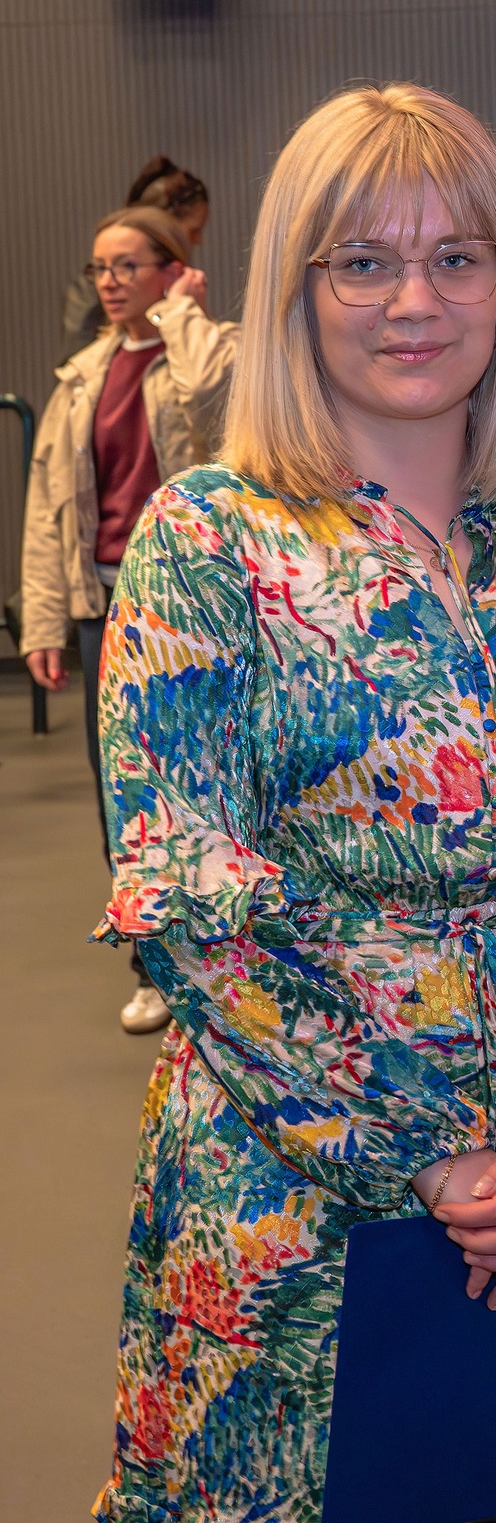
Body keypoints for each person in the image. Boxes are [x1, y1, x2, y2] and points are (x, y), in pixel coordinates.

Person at [90, 83, 496, 1523]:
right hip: (302, 1198)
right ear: (294, 286)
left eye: (457, 257)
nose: (415, 301)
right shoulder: (209, 543)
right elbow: (188, 897)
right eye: (364, 261)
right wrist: (431, 1161)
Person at [23, 201, 236, 1034]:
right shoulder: (81, 376)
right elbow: (48, 506)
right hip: (105, 606)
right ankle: (154, 968)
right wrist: (45, 621)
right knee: (127, 797)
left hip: (193, 604)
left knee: (211, 784)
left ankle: (227, 966)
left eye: (127, 266)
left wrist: (181, 314)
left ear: (173, 270)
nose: (109, 282)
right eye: (99, 268)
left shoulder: (212, 347)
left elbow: (212, 399)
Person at [60, 157, 211, 359]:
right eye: (193, 230)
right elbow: (75, 363)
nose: (107, 283)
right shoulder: (95, 357)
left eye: (126, 266)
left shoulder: (208, 339)